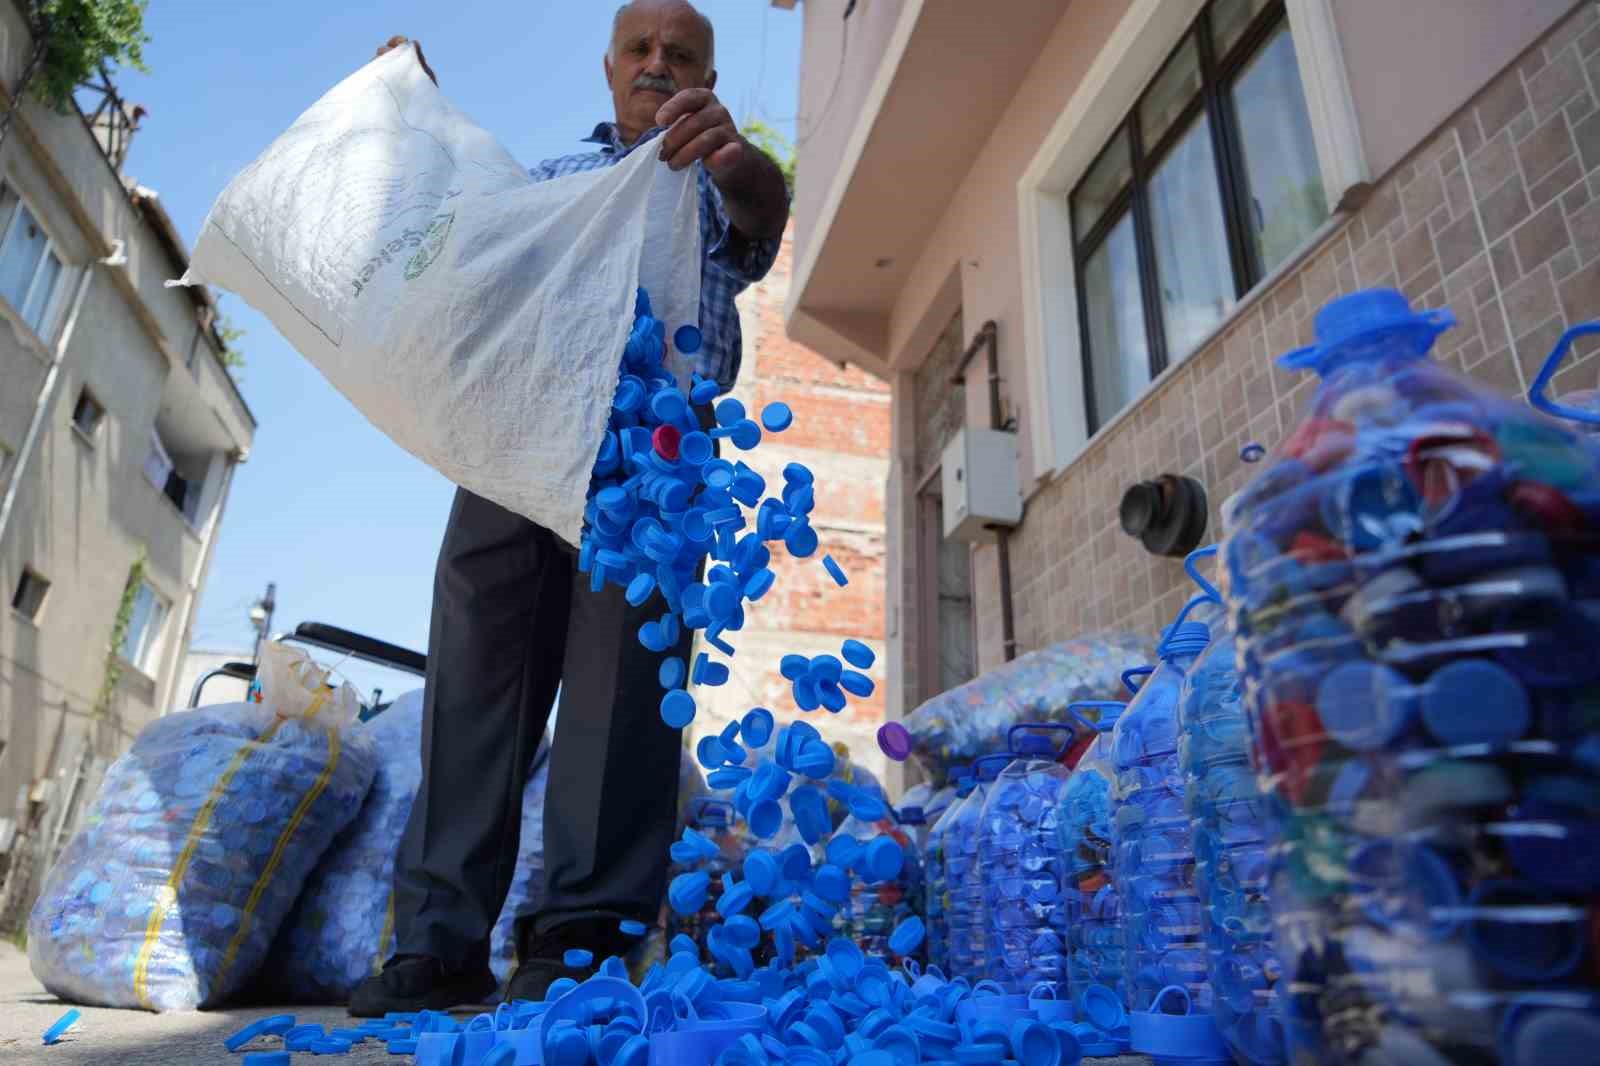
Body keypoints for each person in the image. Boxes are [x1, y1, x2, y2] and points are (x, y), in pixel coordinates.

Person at [348, 0, 789, 1016]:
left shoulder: (716, 177)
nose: (656, 63)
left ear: (707, 78)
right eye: (638, 48)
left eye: (680, 53)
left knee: (620, 694)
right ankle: (438, 942)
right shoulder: (553, 182)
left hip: (655, 457)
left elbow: (766, 214)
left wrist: (735, 159)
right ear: (606, 68)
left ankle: (582, 941)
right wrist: (409, 119)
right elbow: (461, 240)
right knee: (475, 691)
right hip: (518, 438)